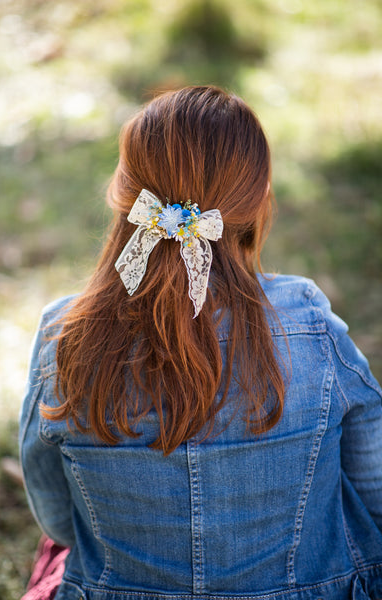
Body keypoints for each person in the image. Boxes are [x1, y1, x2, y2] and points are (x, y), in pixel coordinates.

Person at [19, 86, 382, 600]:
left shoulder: (65, 335)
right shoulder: (309, 321)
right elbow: (374, 485)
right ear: (257, 199)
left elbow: (57, 517)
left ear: (126, 194)